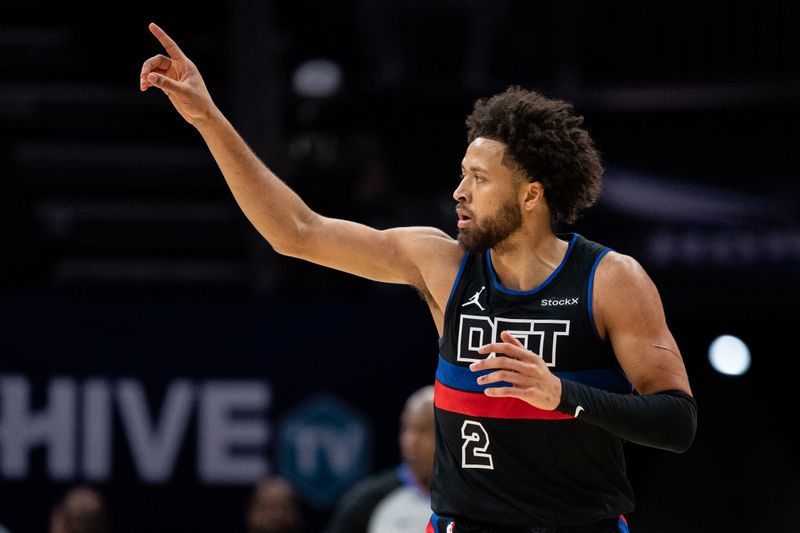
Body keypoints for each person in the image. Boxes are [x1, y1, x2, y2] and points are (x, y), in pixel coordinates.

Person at [140, 23, 697, 533]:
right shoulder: (442, 264)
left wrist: (562, 394)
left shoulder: (609, 279)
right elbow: (296, 231)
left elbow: (677, 422)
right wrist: (207, 118)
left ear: (531, 194)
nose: (458, 192)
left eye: (478, 179)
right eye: (461, 175)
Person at [325, 385, 435, 533]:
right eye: (406, 428)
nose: (411, 442)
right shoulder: (366, 502)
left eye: (424, 430)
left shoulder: (469, 498)